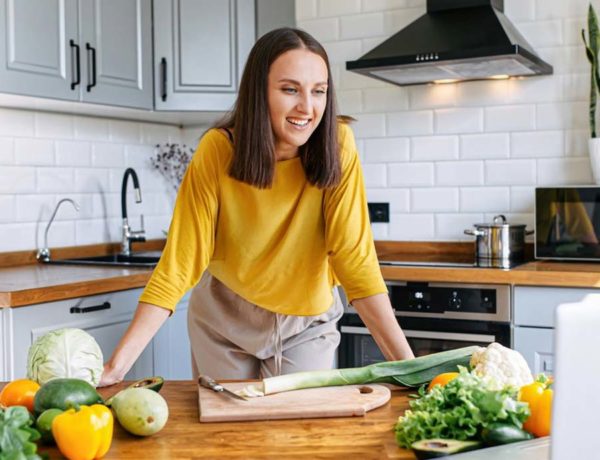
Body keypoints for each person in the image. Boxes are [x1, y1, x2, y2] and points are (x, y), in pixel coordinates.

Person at [99, 28, 414, 386]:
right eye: (290, 89)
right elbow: (180, 264)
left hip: (306, 324)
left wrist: (409, 369)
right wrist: (117, 366)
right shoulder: (218, 150)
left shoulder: (338, 144)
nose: (307, 108)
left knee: (297, 437)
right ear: (258, 92)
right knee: (228, 437)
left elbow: (354, 259)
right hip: (223, 320)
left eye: (319, 91)